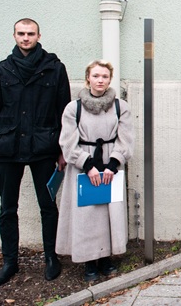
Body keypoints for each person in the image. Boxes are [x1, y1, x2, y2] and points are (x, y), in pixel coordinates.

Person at [0, 18, 71, 286]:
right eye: (21, 34)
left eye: (30, 34)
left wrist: (62, 150)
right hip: (7, 149)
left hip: (44, 148)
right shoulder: (1, 70)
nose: (25, 38)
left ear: (38, 35)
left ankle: (51, 258)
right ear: (14, 36)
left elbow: (64, 112)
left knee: (48, 206)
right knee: (7, 208)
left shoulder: (54, 68)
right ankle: (10, 262)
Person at [56, 60, 133, 281]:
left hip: (111, 166)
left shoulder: (121, 106)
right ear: (88, 77)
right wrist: (87, 165)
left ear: (110, 79)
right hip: (83, 167)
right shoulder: (74, 108)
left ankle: (106, 258)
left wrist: (113, 164)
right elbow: (68, 141)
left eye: (105, 77)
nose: (100, 80)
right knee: (86, 214)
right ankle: (89, 261)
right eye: (96, 76)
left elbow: (126, 138)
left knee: (110, 212)